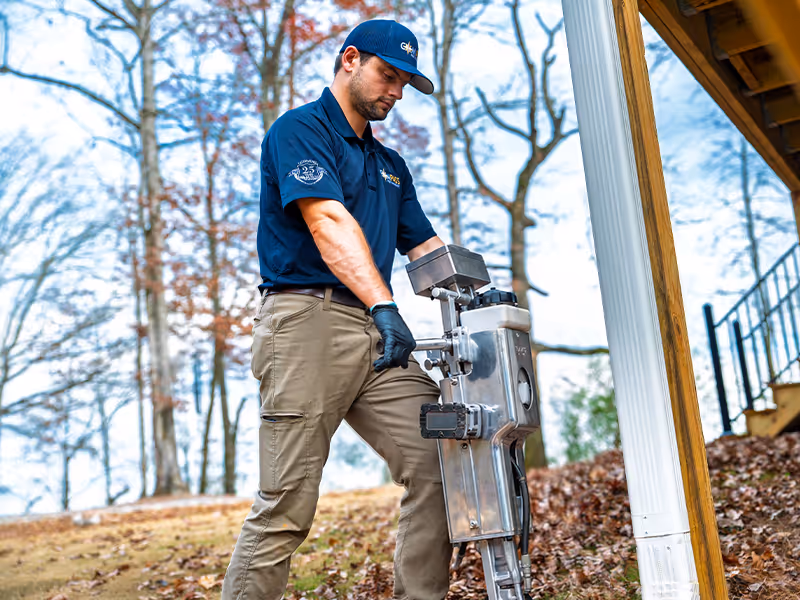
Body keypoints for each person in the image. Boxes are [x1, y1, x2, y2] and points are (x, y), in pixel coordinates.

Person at [221, 19, 452, 600]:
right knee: (287, 503)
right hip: (307, 324)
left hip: (376, 332)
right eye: (387, 75)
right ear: (350, 60)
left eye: (404, 83)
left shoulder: (391, 164)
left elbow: (423, 246)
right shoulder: (300, 130)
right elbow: (327, 222)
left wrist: (476, 292)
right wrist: (385, 304)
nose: (395, 92)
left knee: (444, 462)